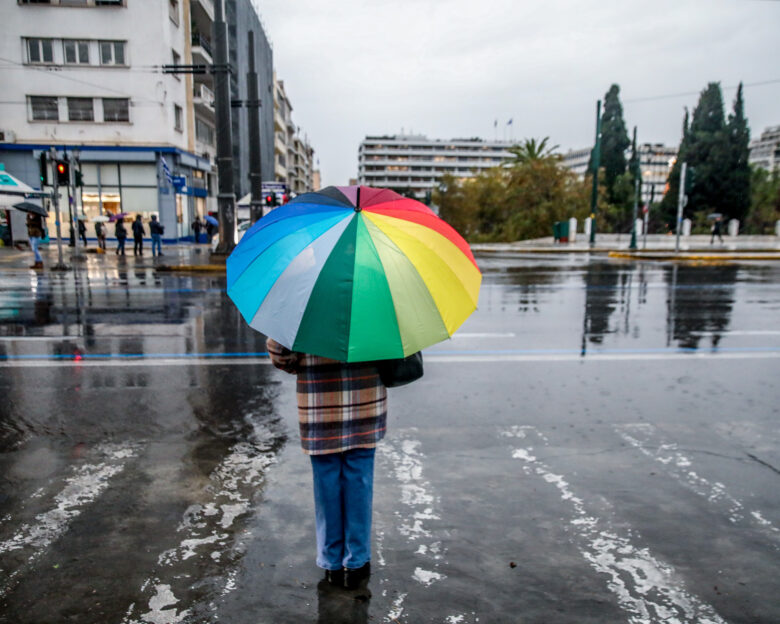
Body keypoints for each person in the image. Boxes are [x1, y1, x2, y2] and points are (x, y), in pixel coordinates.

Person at [267, 337, 386, 591]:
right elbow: (393, 350)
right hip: (365, 405)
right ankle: (356, 561)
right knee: (360, 484)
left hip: (320, 406)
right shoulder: (373, 302)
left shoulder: (303, 302)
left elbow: (280, 354)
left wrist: (301, 363)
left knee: (326, 486)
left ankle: (331, 561)